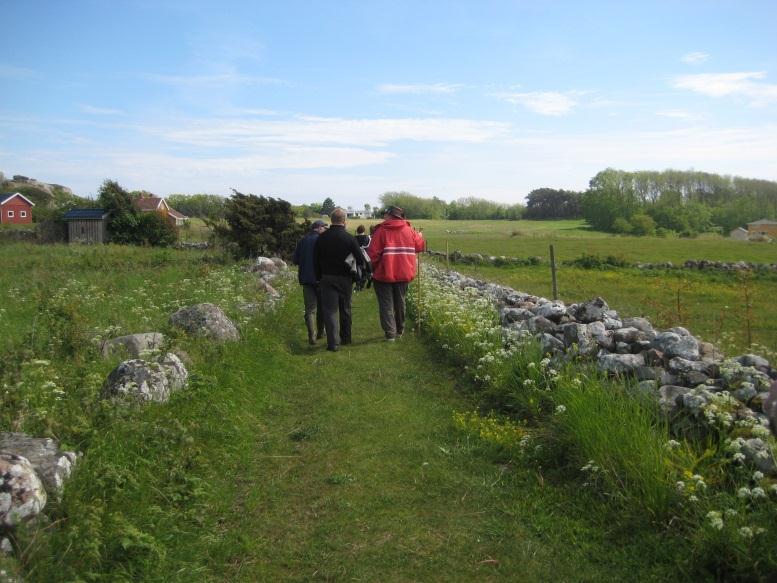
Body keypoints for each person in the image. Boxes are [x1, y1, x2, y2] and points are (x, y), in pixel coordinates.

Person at [367, 205, 425, 342]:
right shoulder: (410, 230)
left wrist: (373, 268)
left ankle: (390, 334)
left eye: (385, 214)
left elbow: (373, 255)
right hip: (404, 272)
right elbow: (420, 246)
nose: (383, 217)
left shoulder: (380, 231)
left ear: (391, 216)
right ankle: (400, 330)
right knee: (400, 302)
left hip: (383, 274)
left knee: (386, 304)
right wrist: (420, 236)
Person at [314, 208, 366, 352]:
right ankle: (346, 338)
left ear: (331, 220)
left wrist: (318, 277)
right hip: (345, 278)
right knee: (345, 308)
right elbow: (360, 260)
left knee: (330, 310)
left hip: (327, 277)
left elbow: (316, 260)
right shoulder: (349, 238)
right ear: (344, 221)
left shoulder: (321, 238)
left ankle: (332, 343)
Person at [292, 219, 327, 345]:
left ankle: (311, 335)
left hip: (306, 279)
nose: (325, 229)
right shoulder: (323, 240)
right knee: (322, 307)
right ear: (318, 228)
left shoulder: (302, 240)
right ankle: (320, 332)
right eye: (324, 227)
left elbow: (295, 260)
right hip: (321, 279)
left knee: (310, 309)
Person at [354, 225, 372, 292]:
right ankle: (362, 286)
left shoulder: (354, 238)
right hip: (365, 257)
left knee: (357, 271)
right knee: (365, 271)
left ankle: (357, 286)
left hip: (356, 256)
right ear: (364, 231)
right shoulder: (367, 238)